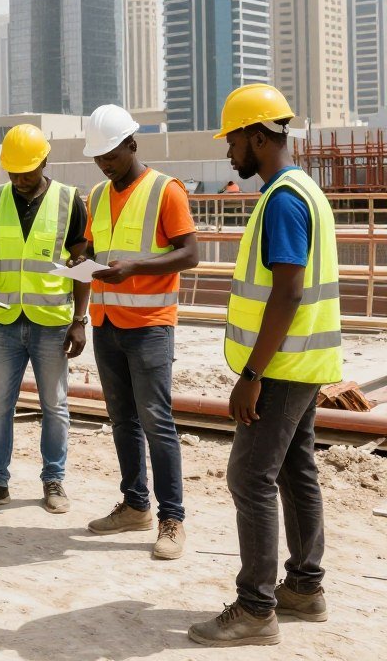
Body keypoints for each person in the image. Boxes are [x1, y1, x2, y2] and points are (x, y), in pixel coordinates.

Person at [190, 85, 341, 648]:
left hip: (280, 365)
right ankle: (303, 586)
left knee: (250, 476)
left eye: (233, 140)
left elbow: (288, 293)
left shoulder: (281, 199)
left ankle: (257, 608)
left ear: (258, 136)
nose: (229, 154)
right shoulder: (306, 189)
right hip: (306, 361)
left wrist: (251, 375)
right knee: (295, 467)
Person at [76, 104, 198, 561]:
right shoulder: (99, 196)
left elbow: (189, 254)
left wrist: (134, 269)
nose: (105, 163)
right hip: (107, 324)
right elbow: (97, 253)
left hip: (149, 326)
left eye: (111, 154)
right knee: (122, 420)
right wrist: (82, 270)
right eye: (98, 157)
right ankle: (134, 504)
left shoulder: (166, 191)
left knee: (156, 422)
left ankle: (172, 518)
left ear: (132, 143)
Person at [0, 124, 90, 514]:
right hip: (4, 319)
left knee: (54, 406)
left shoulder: (70, 200)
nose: (19, 179)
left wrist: (80, 320)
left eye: (27, 171)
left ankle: (53, 481)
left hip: (52, 321)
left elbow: (82, 264)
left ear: (44, 161)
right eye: (13, 172)